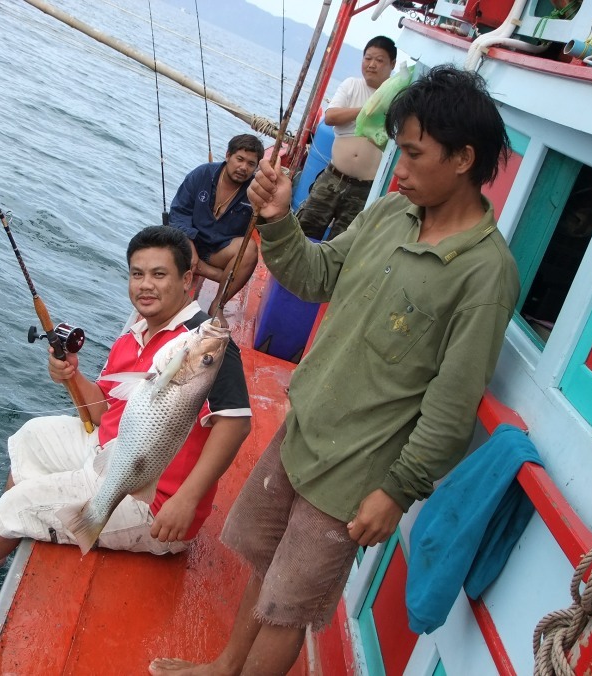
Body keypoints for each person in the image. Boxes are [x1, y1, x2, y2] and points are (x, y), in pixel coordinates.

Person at [149, 65, 520, 675]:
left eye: (413, 153)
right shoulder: (389, 214)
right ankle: (222, 668)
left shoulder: (486, 274)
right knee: (265, 568)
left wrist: (396, 491)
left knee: (289, 607)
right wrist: (276, 218)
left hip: (356, 473)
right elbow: (315, 275)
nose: (396, 169)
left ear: (463, 159)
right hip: (301, 434)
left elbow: (451, 409)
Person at [0, 226, 252, 595]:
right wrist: (72, 376)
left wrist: (187, 498)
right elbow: (102, 412)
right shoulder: (135, 335)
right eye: (136, 274)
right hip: (112, 453)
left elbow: (235, 425)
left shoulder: (207, 345)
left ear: (187, 280)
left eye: (159, 275)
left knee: (22, 502)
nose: (145, 285)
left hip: (157, 504)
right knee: (32, 437)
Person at [296, 35, 396, 241]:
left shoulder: (396, 98)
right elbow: (331, 117)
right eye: (368, 58)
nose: (372, 65)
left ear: (392, 64)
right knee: (303, 231)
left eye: (379, 60)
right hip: (333, 177)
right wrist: (366, 111)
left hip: (365, 189)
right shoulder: (352, 85)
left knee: (343, 244)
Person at [169, 134, 265, 316]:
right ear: (228, 155)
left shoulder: (254, 192)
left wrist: (268, 201)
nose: (243, 167)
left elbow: (269, 231)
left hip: (217, 252)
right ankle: (210, 273)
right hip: (188, 242)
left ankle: (217, 306)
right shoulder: (202, 174)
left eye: (251, 164)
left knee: (250, 249)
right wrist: (190, 247)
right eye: (239, 159)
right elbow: (178, 212)